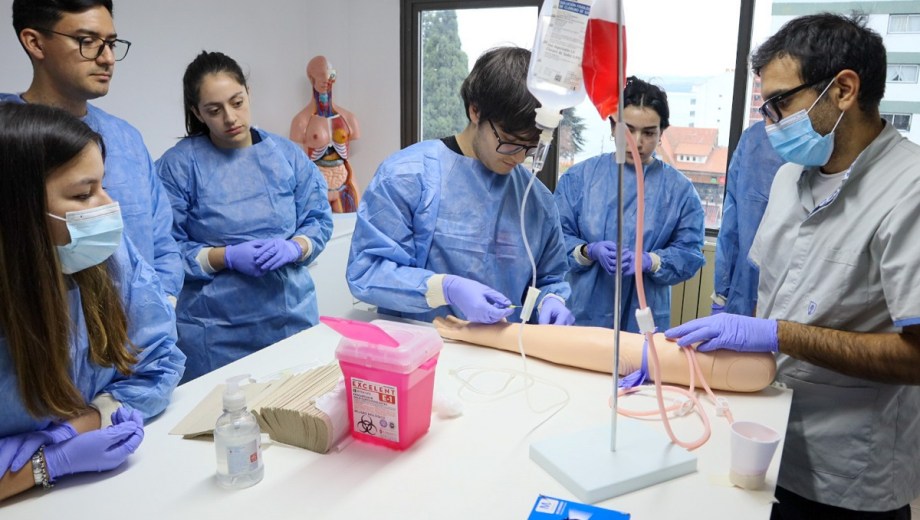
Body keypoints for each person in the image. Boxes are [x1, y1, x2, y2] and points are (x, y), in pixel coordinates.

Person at [665, 13, 920, 519]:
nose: (771, 122)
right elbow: (773, 295)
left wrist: (779, 335)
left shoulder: (908, 189)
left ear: (843, 89)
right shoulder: (789, 179)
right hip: (765, 439)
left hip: (850, 470)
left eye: (781, 103)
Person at [0, 103, 185, 501]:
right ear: (16, 211)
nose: (106, 205)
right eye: (84, 194)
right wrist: (46, 465)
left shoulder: (107, 258)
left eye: (103, 186)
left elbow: (158, 359)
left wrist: (90, 418)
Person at [346, 47, 574, 326]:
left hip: (501, 356)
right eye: (510, 142)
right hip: (419, 349)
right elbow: (367, 272)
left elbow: (550, 276)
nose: (518, 157)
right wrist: (445, 287)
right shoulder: (408, 177)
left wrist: (551, 300)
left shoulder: (535, 199)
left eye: (530, 148)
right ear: (475, 111)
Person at [156, 51, 333, 382]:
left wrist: (295, 247)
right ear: (197, 112)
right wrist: (224, 257)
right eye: (214, 110)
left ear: (248, 92)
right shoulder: (178, 167)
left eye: (237, 102)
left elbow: (319, 221)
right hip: (214, 334)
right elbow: (162, 250)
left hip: (289, 319)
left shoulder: (286, 156)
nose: (230, 117)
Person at [1, 0, 183, 302]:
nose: (108, 58)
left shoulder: (127, 140)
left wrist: (159, 308)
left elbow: (163, 241)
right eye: (87, 42)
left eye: (111, 43)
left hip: (138, 340)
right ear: (35, 42)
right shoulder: (10, 143)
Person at [554, 76, 705, 332]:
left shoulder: (680, 191)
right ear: (613, 127)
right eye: (628, 129)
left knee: (637, 367)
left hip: (644, 319)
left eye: (649, 133)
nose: (637, 142)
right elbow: (555, 240)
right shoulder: (579, 179)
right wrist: (587, 251)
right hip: (582, 313)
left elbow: (689, 253)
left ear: (661, 133)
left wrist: (652, 261)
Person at [433, 316, 776, 393]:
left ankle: (473, 332)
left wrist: (774, 334)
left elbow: (760, 371)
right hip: (635, 349)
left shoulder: (758, 371)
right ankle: (473, 332)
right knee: (532, 339)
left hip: (635, 351)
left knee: (532, 340)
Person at [711, 120, 784, 316]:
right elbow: (732, 228)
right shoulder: (755, 138)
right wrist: (722, 293)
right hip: (746, 289)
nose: (773, 115)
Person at [290, 55, 361, 213]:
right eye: (320, 75)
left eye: (329, 74)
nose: (326, 79)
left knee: (349, 230)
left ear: (334, 77)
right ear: (311, 78)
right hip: (316, 187)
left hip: (345, 184)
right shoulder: (301, 122)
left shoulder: (349, 119)